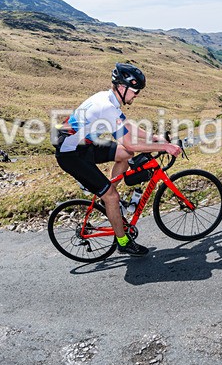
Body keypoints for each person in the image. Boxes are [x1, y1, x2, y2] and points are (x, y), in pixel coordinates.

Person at [54, 63, 181, 256]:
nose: (137, 95)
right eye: (135, 91)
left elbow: (126, 126)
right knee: (112, 195)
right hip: (70, 154)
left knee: (125, 155)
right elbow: (130, 143)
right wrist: (164, 147)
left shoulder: (108, 99)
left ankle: (110, 200)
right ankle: (123, 242)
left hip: (83, 145)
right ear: (122, 87)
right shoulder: (106, 106)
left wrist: (153, 138)